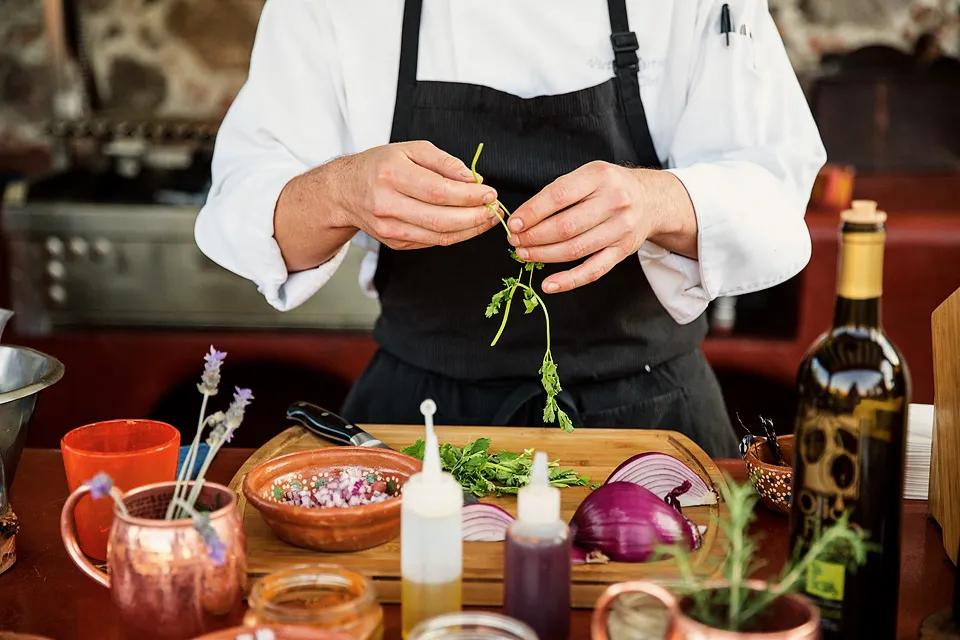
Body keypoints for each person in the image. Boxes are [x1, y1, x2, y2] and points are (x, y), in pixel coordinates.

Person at [195, 1, 826, 457]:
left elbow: (775, 193)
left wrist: (656, 201)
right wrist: (341, 191)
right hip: (415, 427)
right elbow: (241, 206)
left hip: (654, 429)